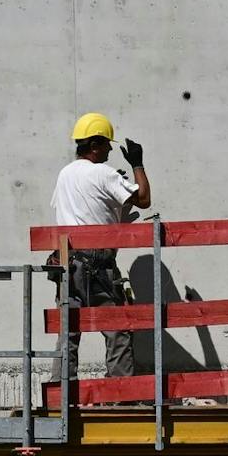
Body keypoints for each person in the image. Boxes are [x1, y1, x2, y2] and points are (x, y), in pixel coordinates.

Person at [50, 112, 150, 384]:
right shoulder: (104, 174)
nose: (109, 149)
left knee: (68, 330)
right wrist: (137, 164)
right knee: (117, 328)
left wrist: (116, 204)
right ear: (94, 144)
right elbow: (144, 199)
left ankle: (61, 394)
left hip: (67, 262)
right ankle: (120, 395)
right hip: (99, 263)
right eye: (106, 143)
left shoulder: (65, 174)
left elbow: (88, 209)